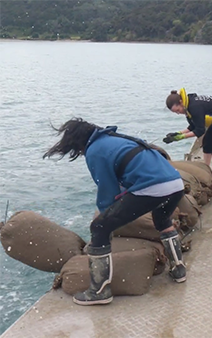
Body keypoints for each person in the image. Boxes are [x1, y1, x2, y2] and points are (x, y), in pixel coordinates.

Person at [43, 118, 187, 306]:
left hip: (153, 187)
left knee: (100, 226)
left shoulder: (94, 150)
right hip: (176, 183)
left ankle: (99, 291)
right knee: (162, 220)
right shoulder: (116, 139)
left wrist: (104, 223)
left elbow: (108, 191)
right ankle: (179, 269)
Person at [164, 88, 212, 188]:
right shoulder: (187, 107)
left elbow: (200, 131)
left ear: (181, 102)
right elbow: (193, 126)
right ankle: (207, 171)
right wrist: (177, 133)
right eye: (176, 113)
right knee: (207, 143)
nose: (179, 113)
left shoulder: (194, 106)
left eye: (178, 110)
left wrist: (181, 137)